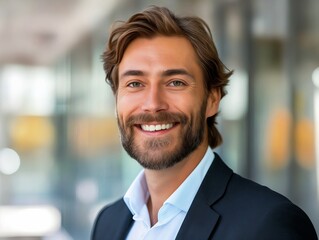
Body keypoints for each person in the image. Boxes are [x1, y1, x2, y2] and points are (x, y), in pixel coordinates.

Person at [91, 5, 318, 240]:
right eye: (135, 84)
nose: (152, 103)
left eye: (176, 82)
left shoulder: (269, 225)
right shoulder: (108, 222)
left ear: (212, 99)